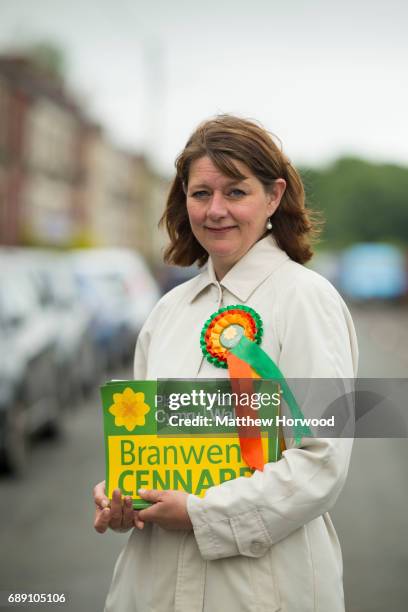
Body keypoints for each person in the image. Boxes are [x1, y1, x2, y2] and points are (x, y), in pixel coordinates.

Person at [93, 115, 358, 612]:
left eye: (235, 192)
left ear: (274, 196)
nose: (215, 211)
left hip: (262, 588)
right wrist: (126, 493)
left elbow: (322, 460)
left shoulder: (307, 301)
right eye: (200, 194)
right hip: (152, 587)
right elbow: (149, 448)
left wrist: (200, 512)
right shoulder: (168, 312)